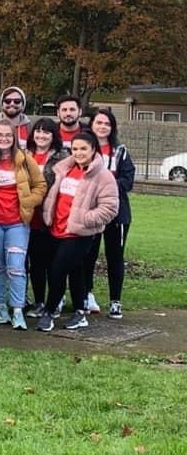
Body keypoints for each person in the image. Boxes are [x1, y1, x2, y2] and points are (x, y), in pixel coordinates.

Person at [37, 131, 119, 332]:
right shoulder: (65, 169)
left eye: (84, 149)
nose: (79, 153)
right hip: (56, 228)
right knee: (76, 271)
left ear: (93, 150)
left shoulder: (103, 176)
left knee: (57, 271)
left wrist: (85, 219)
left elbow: (110, 208)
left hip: (78, 233)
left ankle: (49, 311)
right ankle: (81, 312)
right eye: (75, 149)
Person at [0, 119, 47, 330]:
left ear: (14, 137)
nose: (4, 139)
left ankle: (17, 308)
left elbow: (41, 185)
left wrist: (28, 201)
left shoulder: (25, 160)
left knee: (17, 267)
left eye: (8, 135)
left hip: (17, 223)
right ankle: (1, 306)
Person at [83, 108, 135, 318]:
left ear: (112, 128)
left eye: (107, 124)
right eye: (99, 123)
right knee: (88, 254)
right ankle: (87, 295)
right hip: (91, 211)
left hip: (117, 212)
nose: (102, 127)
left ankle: (115, 301)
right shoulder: (84, 149)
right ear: (91, 125)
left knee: (115, 256)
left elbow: (127, 180)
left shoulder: (120, 151)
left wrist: (106, 185)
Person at [24, 118, 70, 318]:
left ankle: (56, 300)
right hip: (29, 217)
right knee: (36, 264)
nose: (41, 136)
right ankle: (39, 301)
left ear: (53, 136)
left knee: (53, 263)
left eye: (46, 132)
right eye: (38, 131)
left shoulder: (63, 157)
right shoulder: (25, 156)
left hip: (51, 217)